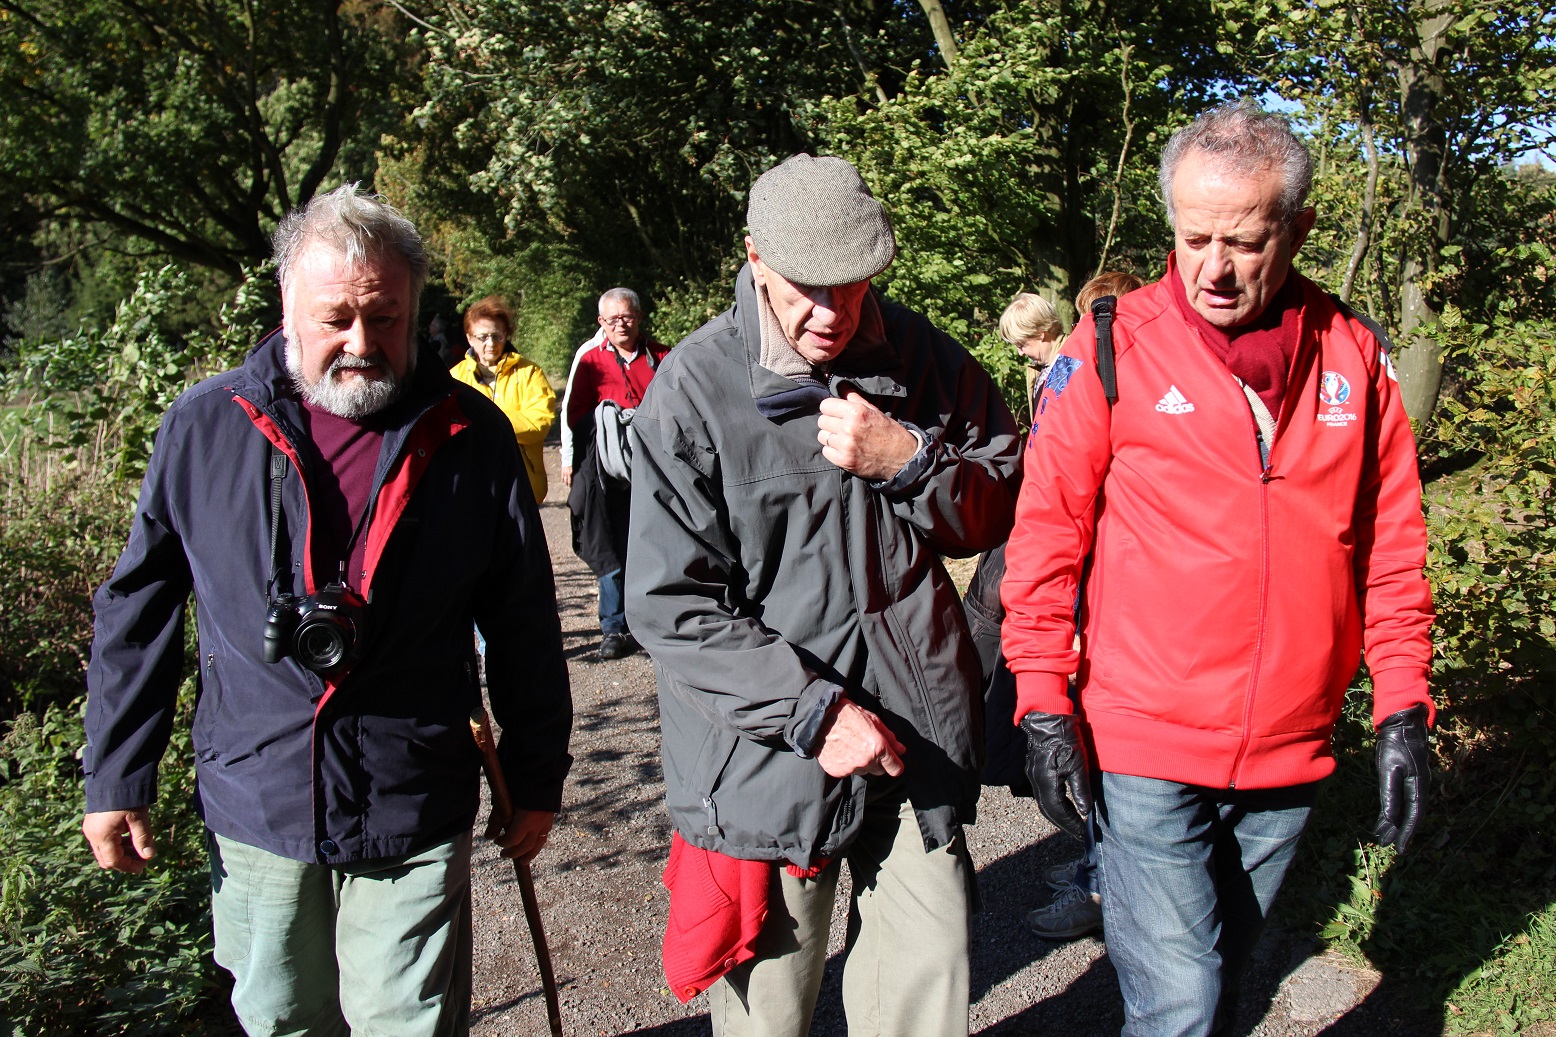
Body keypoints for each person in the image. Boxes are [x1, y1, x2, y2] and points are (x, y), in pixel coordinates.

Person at [80, 184, 573, 1037]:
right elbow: (138, 608)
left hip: (411, 789)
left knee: (408, 1023)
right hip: (258, 794)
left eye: (384, 318)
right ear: (287, 307)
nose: (361, 342)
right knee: (282, 1018)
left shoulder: (470, 433)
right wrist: (117, 773)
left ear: (416, 311)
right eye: (335, 318)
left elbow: (523, 617)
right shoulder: (204, 428)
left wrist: (535, 776)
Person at [1001, 100, 1434, 1036]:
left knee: (1227, 987)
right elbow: (1044, 541)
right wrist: (1043, 701)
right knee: (1180, 1004)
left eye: (1243, 241)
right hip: (1143, 739)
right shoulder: (1110, 347)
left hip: (1290, 744)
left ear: (1298, 230)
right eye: (1194, 238)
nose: (1214, 268)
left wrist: (1403, 704)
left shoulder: (1354, 355)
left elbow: (1391, 547)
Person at [626, 154, 1022, 1037]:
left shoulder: (922, 355)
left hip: (918, 741)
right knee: (769, 1018)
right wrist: (812, 712)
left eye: (853, 284)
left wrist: (911, 464)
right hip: (768, 761)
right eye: (808, 286)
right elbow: (671, 605)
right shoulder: (692, 390)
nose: (833, 311)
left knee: (928, 1008)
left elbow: (1001, 503)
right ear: (755, 257)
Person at [966, 273, 1147, 943]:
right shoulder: (1078, 371)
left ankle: (1104, 885)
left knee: (1104, 745)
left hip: (1103, 585)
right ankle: (1098, 867)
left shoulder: (1095, 373)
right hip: (1072, 571)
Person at [562, 287, 669, 661]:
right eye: (612, 319)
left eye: (626, 317)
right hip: (605, 475)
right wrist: (610, 423)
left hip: (655, 471)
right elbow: (574, 416)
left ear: (638, 317)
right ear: (601, 322)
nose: (620, 324)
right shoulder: (590, 362)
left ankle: (657, 625)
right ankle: (613, 627)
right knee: (610, 548)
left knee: (656, 547)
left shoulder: (663, 357)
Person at [451, 294, 557, 503]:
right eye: (483, 337)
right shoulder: (455, 378)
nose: (491, 343)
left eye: (497, 336)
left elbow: (540, 421)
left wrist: (487, 422)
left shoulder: (529, 373)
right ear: (469, 338)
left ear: (506, 335)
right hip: (471, 486)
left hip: (521, 485)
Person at [996, 291, 1064, 423]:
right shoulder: (1043, 369)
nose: (1020, 353)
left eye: (1022, 345)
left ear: (1040, 334)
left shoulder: (1072, 364)